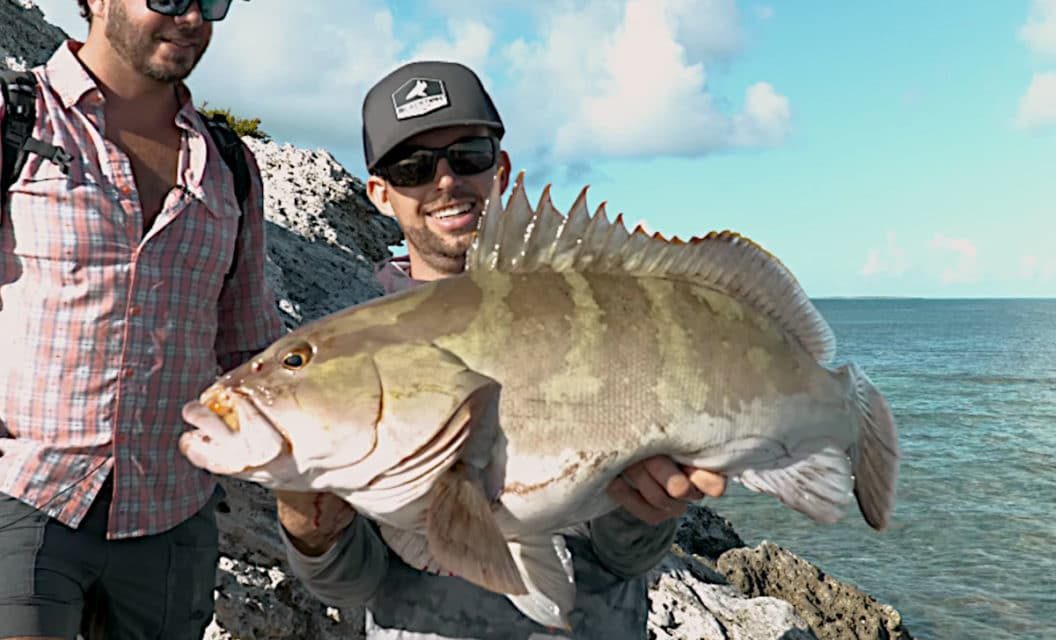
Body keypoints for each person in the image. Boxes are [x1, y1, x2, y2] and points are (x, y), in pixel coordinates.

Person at [274, 61, 727, 640]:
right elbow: (352, 586)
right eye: (412, 167)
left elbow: (624, 561)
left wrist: (649, 510)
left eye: (467, 154)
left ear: (501, 168)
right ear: (380, 194)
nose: (444, 182)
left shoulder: (602, 316)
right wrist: (310, 530)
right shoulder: (346, 359)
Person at [0, 1, 283, 638]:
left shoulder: (228, 165)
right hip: (24, 496)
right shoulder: (17, 119)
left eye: (211, 1)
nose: (191, 17)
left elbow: (248, 344)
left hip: (173, 518)